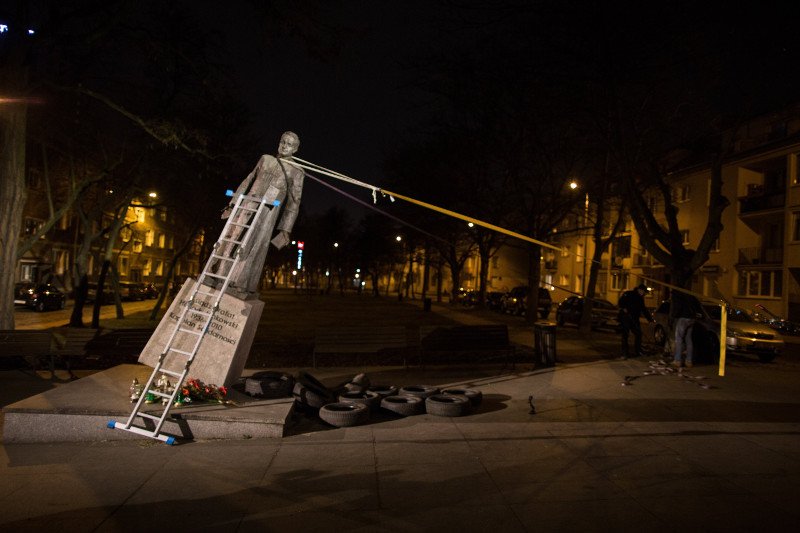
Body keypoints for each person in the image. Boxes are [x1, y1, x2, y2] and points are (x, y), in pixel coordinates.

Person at [213, 131, 304, 300]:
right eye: (283, 141)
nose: (284, 145)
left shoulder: (297, 171)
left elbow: (294, 202)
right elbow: (248, 180)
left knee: (252, 245)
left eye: (289, 144)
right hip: (247, 204)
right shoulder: (265, 159)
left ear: (295, 149)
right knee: (232, 237)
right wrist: (232, 203)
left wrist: (285, 229)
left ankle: (239, 283)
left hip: (267, 213)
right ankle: (218, 274)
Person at [617, 283, 654, 358]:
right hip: (626, 318)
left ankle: (638, 351)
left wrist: (650, 319)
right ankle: (624, 353)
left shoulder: (640, 298)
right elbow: (620, 302)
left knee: (639, 334)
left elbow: (643, 309)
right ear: (640, 290)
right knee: (625, 335)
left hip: (634, 319)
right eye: (644, 292)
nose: (644, 294)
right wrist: (624, 308)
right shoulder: (628, 294)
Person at [670, 289, 701, 368]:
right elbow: (698, 305)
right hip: (692, 319)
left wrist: (673, 317)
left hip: (683, 318)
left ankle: (677, 360)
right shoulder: (690, 295)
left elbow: (677, 307)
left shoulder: (677, 295)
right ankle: (689, 361)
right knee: (688, 339)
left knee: (679, 339)